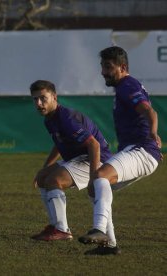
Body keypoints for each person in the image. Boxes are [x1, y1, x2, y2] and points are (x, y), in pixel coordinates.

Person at [78, 46, 162, 255]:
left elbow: (149, 111)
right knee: (95, 187)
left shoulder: (126, 85)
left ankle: (99, 230)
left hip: (143, 150)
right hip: (138, 151)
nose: (103, 72)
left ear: (123, 67)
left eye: (108, 67)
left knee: (100, 175)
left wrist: (153, 132)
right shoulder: (123, 87)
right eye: (102, 66)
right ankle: (109, 245)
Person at [29, 80, 112, 241]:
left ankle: (62, 230)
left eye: (43, 98)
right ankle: (55, 226)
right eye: (35, 99)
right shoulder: (50, 119)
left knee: (54, 180)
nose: (39, 103)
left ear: (54, 97)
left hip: (96, 159)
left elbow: (94, 145)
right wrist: (44, 168)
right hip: (79, 158)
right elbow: (60, 144)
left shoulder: (66, 118)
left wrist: (94, 177)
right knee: (42, 178)